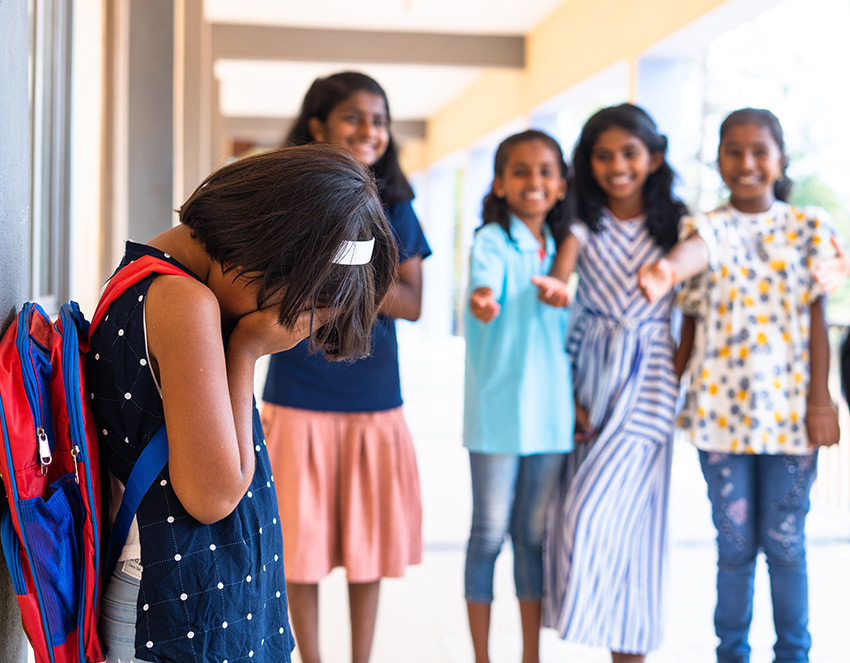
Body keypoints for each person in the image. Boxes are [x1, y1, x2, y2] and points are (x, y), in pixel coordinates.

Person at [87, 144, 398, 663]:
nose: (284, 323)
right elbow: (213, 495)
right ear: (256, 251)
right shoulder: (185, 303)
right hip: (173, 612)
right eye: (288, 305)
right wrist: (248, 350)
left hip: (193, 602)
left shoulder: (150, 279)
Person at [638, 107, 844, 663]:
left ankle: (793, 654)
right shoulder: (704, 229)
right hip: (719, 420)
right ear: (721, 159)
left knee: (785, 545)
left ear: (780, 160)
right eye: (734, 150)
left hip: (791, 421)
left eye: (759, 151)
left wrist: (822, 402)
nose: (747, 162)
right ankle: (731, 653)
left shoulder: (810, 229)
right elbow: (691, 317)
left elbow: (818, 321)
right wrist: (666, 392)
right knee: (733, 549)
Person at [260, 71, 431, 663]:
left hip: (373, 400)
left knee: (368, 546)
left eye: (379, 119)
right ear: (318, 126)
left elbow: (411, 302)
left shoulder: (397, 205)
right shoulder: (287, 200)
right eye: (354, 117)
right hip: (297, 393)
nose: (370, 130)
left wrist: (347, 272)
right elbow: (267, 288)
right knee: (297, 548)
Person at [535, 103, 686, 662]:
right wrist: (564, 392)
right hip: (588, 377)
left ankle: (632, 648)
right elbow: (559, 285)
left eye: (629, 153)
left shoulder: (679, 224)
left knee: (617, 517)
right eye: (603, 155)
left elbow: (690, 309)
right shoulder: (579, 220)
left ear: (656, 156)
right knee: (583, 515)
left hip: (649, 379)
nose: (617, 165)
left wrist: (677, 374)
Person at [463, 129, 574, 663]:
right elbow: (483, 289)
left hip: (551, 419)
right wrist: (484, 300)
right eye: (522, 171)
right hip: (497, 417)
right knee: (488, 533)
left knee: (533, 537)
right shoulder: (490, 240)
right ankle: (483, 656)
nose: (535, 180)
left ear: (561, 184)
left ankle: (531, 655)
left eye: (546, 171)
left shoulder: (564, 246)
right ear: (501, 184)